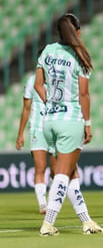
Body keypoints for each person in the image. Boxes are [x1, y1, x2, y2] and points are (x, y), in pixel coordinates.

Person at [34, 13, 103, 236]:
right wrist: (88, 123)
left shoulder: (47, 51)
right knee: (63, 174)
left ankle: (86, 221)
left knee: (71, 172)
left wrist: (51, 103)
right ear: (78, 32)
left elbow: (38, 85)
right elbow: (84, 94)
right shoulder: (80, 56)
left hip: (49, 121)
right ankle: (48, 223)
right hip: (71, 120)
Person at [16, 73, 56, 214]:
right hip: (37, 129)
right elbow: (26, 108)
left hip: (55, 128)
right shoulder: (32, 80)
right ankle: (43, 205)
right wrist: (20, 134)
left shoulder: (57, 77)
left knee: (55, 171)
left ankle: (52, 202)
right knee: (40, 167)